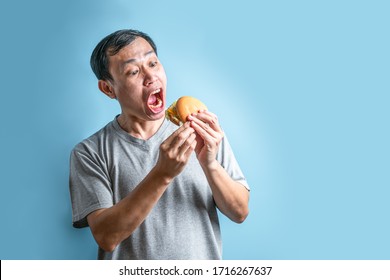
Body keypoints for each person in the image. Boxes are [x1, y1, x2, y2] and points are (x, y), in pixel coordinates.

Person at [69, 29, 250, 260]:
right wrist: (163, 174)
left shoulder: (202, 127)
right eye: (134, 71)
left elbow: (240, 211)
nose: (150, 76)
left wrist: (210, 164)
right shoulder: (89, 152)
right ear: (108, 88)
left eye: (153, 63)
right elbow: (106, 236)